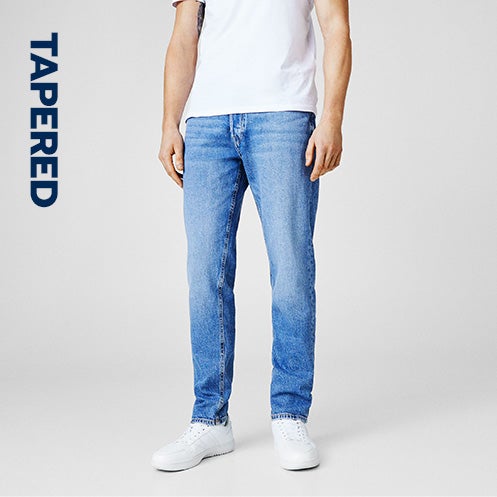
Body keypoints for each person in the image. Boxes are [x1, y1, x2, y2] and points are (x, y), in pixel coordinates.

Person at [152, 0, 352, 472]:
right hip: (207, 124)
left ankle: (289, 414)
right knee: (205, 275)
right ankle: (210, 419)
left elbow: (337, 28)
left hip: (284, 116)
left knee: (291, 269)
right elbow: (183, 36)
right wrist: (169, 122)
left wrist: (332, 119)